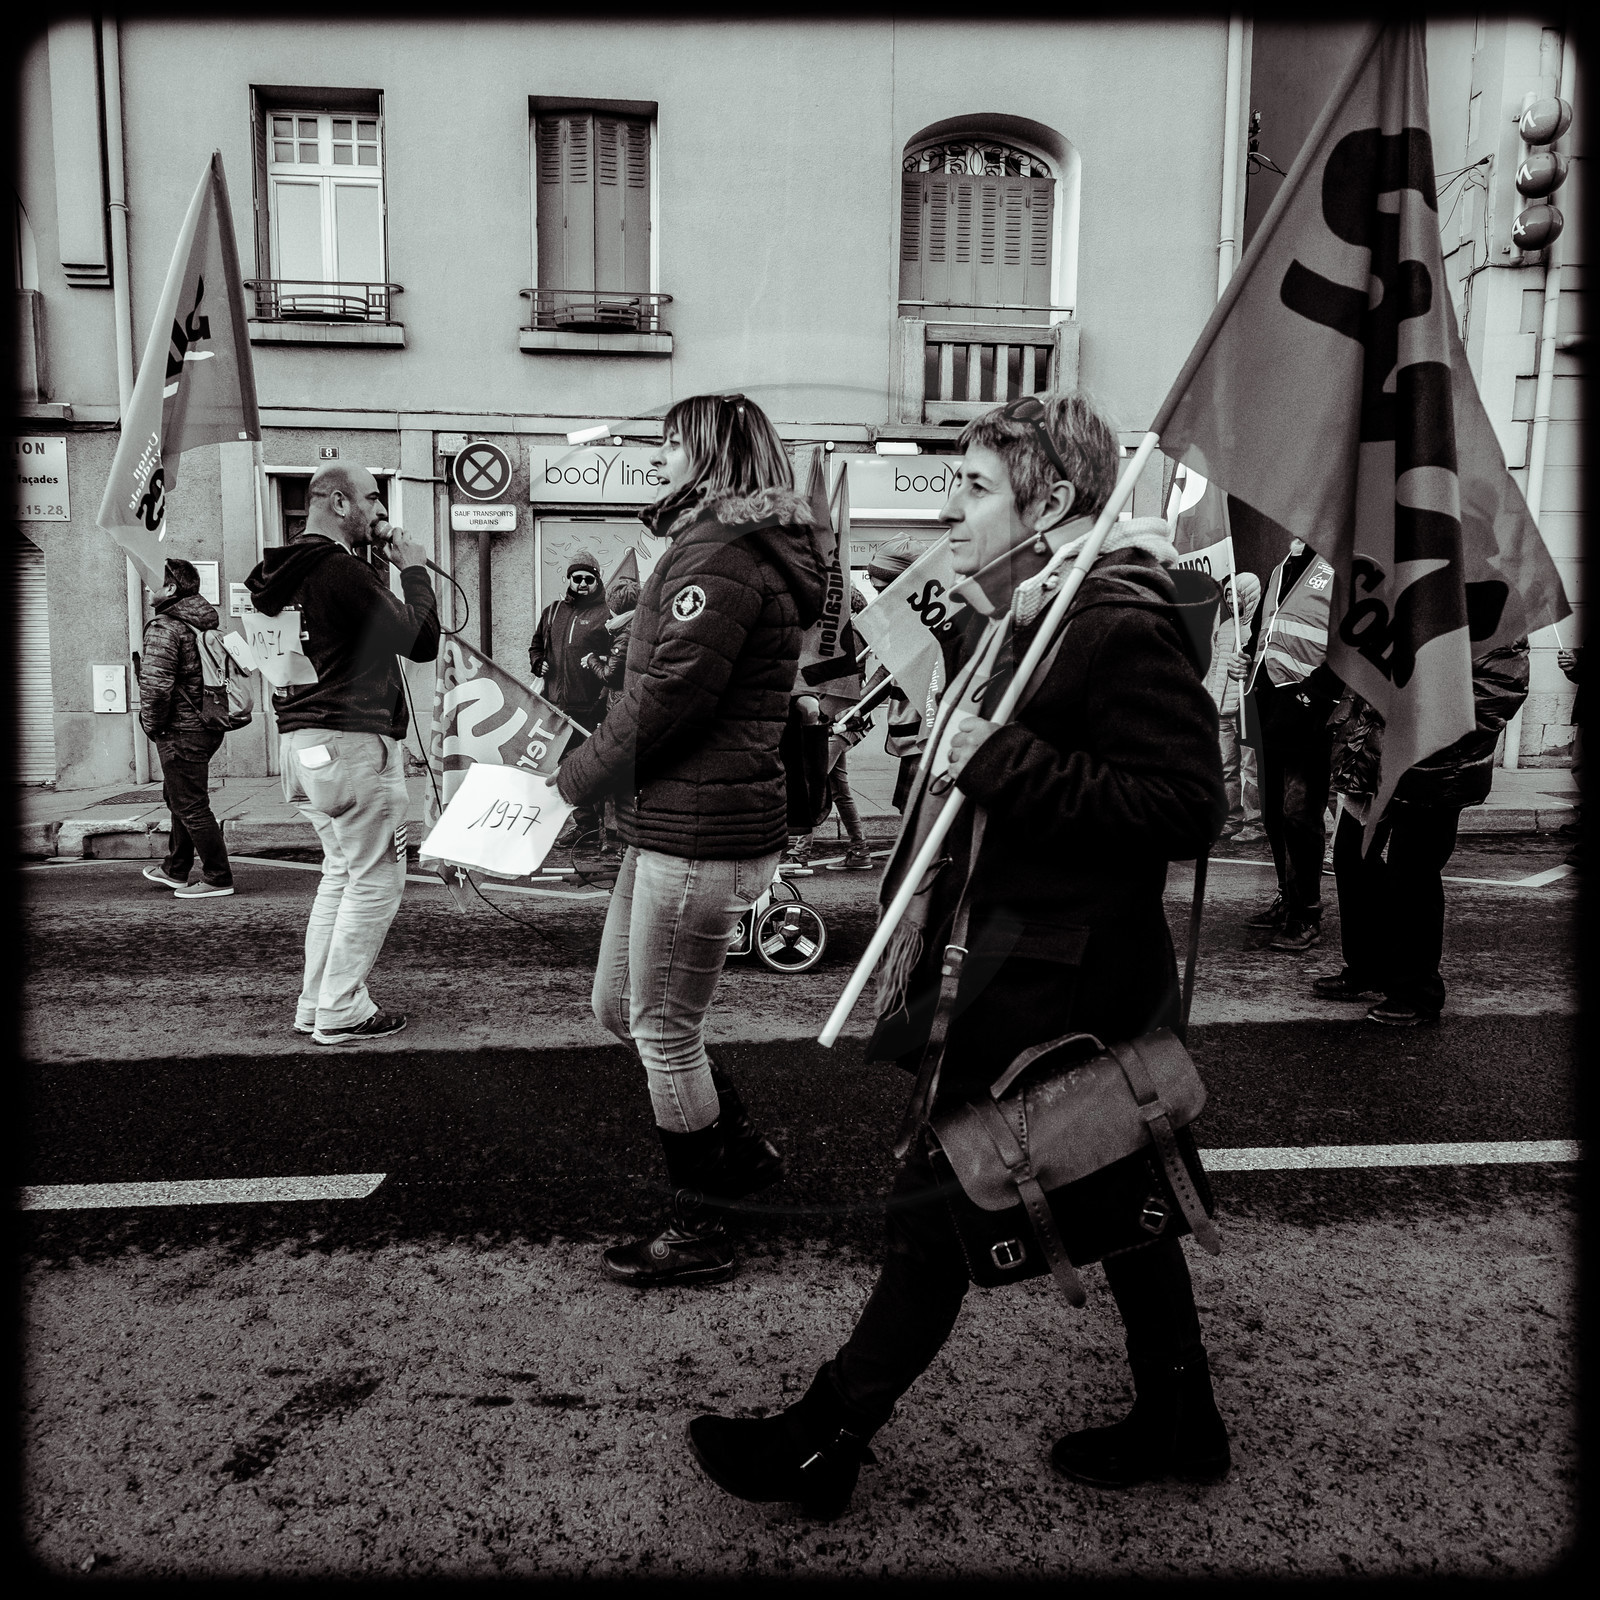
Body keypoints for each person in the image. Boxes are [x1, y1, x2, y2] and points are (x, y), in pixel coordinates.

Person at [685, 392, 1230, 1516]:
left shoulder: (1112, 616)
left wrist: (1002, 762)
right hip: (1020, 960)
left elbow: (1183, 805)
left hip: (1047, 985)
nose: (955, 509)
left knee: (932, 1211)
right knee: (1115, 1186)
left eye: (975, 487)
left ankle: (823, 1437)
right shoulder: (1030, 613)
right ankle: (1184, 1411)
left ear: (1055, 503)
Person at [553, 393, 826, 1286]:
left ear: (712, 456)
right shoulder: (721, 548)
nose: (658, 455)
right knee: (616, 1010)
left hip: (699, 830)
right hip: (672, 818)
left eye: (673, 443)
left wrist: (576, 779)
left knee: (664, 1030)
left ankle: (705, 1225)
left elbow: (672, 696)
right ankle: (736, 1152)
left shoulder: (720, 551)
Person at [245, 463, 439, 1045]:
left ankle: (316, 1003)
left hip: (301, 747)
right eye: (373, 500)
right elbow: (421, 640)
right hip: (353, 744)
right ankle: (341, 1008)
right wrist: (415, 570)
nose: (381, 512)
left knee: (341, 875)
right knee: (376, 880)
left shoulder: (277, 574)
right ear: (337, 503)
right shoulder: (339, 570)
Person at [1320, 641, 1529, 1025]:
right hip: (1372, 757)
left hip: (1434, 768)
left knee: (1412, 873)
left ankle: (1417, 991)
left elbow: (1500, 689)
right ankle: (1369, 966)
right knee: (1351, 856)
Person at [1240, 537, 1340, 952]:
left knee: (1299, 816)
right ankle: (1288, 899)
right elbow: (1268, 632)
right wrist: (1245, 657)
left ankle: (1306, 915)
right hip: (1270, 708)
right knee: (1274, 816)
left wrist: (1313, 696)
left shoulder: (1339, 567)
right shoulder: (1282, 567)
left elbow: (1349, 647)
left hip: (1309, 715)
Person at [137, 558, 236, 899]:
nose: (149, 587)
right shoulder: (199, 622)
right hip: (206, 723)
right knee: (179, 797)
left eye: (155, 582)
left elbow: (156, 687)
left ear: (171, 589)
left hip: (181, 728)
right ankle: (175, 869)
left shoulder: (165, 626)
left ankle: (218, 877)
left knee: (191, 804)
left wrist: (151, 725)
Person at [531, 553, 612, 844]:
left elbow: (617, 656)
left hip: (592, 705)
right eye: (576, 578)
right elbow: (537, 645)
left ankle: (606, 830)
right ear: (569, 579)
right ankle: (585, 825)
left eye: (589, 579)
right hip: (558, 704)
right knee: (566, 765)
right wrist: (538, 662)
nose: (582, 584)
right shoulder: (553, 612)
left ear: (597, 580)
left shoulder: (607, 613)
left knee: (592, 765)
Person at [1205, 571, 1263, 843]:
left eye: (1235, 594)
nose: (1230, 600)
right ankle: (1231, 820)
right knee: (1226, 767)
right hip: (1223, 711)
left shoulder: (1260, 628)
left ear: (1248, 596)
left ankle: (1255, 823)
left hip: (1246, 710)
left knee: (1251, 769)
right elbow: (1215, 668)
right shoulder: (1225, 629)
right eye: (1227, 594)